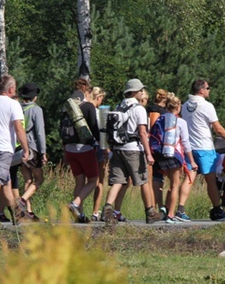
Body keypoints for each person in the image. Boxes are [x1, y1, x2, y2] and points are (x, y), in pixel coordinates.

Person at [102, 78, 162, 224]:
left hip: (118, 149)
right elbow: (142, 133)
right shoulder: (139, 109)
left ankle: (107, 209)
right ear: (135, 92)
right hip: (134, 150)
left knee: (118, 181)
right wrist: (148, 153)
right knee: (143, 181)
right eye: (141, 90)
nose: (142, 92)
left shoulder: (118, 106)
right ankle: (150, 212)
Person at [0, 74, 30, 226]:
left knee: (6, 181)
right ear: (11, 88)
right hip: (4, 148)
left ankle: (16, 215)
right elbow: (19, 129)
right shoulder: (13, 105)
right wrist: (26, 149)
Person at [181, 79, 225, 221]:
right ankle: (217, 210)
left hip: (189, 147)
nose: (209, 90)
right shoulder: (206, 106)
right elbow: (218, 129)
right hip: (204, 146)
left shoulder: (185, 106)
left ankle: (180, 208)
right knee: (211, 180)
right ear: (201, 90)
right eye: (208, 88)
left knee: (189, 178)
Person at [63, 78, 100, 223]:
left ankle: (80, 215)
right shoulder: (88, 106)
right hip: (84, 148)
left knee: (79, 182)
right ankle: (75, 204)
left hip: (69, 148)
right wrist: (102, 144)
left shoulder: (67, 106)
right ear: (87, 91)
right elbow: (94, 128)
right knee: (93, 181)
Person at [154, 93, 194, 223]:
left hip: (161, 156)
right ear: (178, 107)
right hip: (174, 155)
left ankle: (165, 209)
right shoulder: (181, 122)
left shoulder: (160, 119)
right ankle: (171, 214)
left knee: (170, 184)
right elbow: (186, 143)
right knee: (174, 185)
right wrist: (192, 161)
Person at [14, 82, 47, 221]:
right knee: (39, 179)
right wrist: (43, 151)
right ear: (34, 96)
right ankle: (21, 201)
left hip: (20, 147)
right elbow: (40, 132)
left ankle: (28, 211)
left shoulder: (17, 107)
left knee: (28, 179)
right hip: (32, 147)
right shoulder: (36, 109)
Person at [88, 86, 108, 220]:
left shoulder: (85, 109)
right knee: (100, 181)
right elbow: (103, 133)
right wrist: (106, 149)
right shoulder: (100, 112)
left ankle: (80, 207)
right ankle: (95, 211)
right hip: (99, 146)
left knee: (86, 180)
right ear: (99, 97)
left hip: (87, 147)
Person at [148, 89, 169, 214]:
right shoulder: (158, 111)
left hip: (151, 146)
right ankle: (158, 206)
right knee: (157, 177)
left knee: (155, 177)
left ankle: (156, 206)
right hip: (157, 147)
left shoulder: (148, 109)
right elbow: (153, 127)